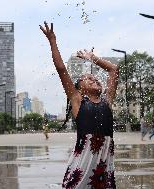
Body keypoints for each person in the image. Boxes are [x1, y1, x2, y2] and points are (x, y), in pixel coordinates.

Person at [40, 21, 119, 189]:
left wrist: (93, 58)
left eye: (95, 77)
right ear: (80, 89)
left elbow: (113, 70)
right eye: (88, 78)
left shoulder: (107, 101)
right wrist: (53, 41)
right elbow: (61, 68)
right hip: (82, 167)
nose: (95, 78)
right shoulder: (77, 101)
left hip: (104, 167)